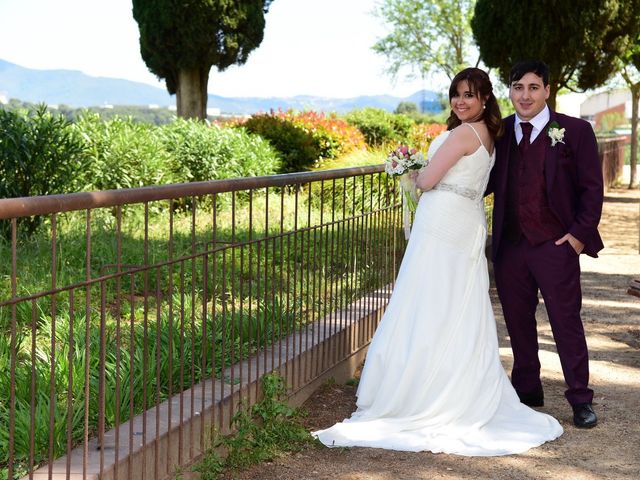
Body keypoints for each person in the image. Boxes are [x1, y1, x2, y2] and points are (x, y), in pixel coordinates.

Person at [313, 67, 563, 455]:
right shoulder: (489, 136)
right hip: (464, 220)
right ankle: (453, 384)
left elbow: (429, 180)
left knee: (428, 299)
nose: (461, 101)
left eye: (470, 95)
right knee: (453, 303)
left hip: (444, 219)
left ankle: (420, 392)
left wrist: (406, 173)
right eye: (456, 94)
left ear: (484, 100)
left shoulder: (465, 132)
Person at [487, 60, 604, 429]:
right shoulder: (500, 132)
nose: (525, 95)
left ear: (547, 90)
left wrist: (576, 237)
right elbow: (480, 177)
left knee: (565, 321)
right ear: (510, 90)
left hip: (555, 244)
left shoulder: (576, 131)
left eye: (533, 87)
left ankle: (580, 399)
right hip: (510, 246)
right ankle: (527, 389)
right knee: (518, 323)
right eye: (518, 87)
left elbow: (591, 188)